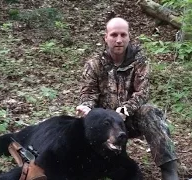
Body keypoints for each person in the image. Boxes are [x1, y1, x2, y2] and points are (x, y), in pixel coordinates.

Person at [76, 17, 179, 180]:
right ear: (106, 37)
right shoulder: (94, 63)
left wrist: (126, 109)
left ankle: (169, 169)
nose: (118, 40)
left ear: (129, 37)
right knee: (80, 124)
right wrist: (87, 108)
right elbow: (88, 93)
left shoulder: (139, 59)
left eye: (123, 35)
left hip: (129, 118)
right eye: (114, 35)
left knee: (151, 112)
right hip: (104, 123)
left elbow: (142, 92)